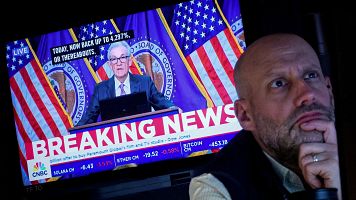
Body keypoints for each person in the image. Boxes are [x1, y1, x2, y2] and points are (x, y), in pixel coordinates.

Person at [189, 33, 342, 199]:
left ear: (329, 89)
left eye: (311, 75)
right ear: (245, 115)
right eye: (279, 84)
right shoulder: (217, 186)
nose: (307, 94)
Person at [77, 40, 179, 126]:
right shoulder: (101, 89)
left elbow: (161, 102)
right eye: (114, 59)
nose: (118, 63)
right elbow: (89, 117)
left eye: (122, 57)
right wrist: (74, 131)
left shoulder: (145, 82)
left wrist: (173, 108)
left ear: (129, 61)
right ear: (110, 64)